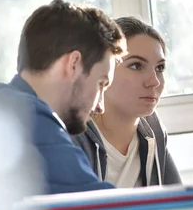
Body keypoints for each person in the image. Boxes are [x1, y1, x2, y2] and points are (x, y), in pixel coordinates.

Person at [0, 0, 126, 194]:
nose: (100, 106)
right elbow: (100, 208)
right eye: (101, 84)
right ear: (74, 63)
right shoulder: (31, 117)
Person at [72, 16, 181, 188]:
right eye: (136, 66)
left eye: (159, 68)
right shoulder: (71, 138)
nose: (154, 81)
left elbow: (179, 204)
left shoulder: (153, 131)